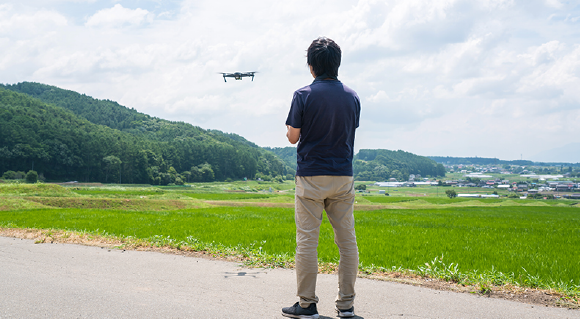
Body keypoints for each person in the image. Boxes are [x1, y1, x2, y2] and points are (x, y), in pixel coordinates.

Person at [282, 37, 361, 319]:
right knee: (347, 241)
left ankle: (306, 305)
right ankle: (347, 307)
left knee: (307, 242)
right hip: (342, 176)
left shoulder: (303, 95)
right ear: (337, 64)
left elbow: (293, 138)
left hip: (311, 177)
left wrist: (290, 127)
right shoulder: (352, 97)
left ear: (311, 66)